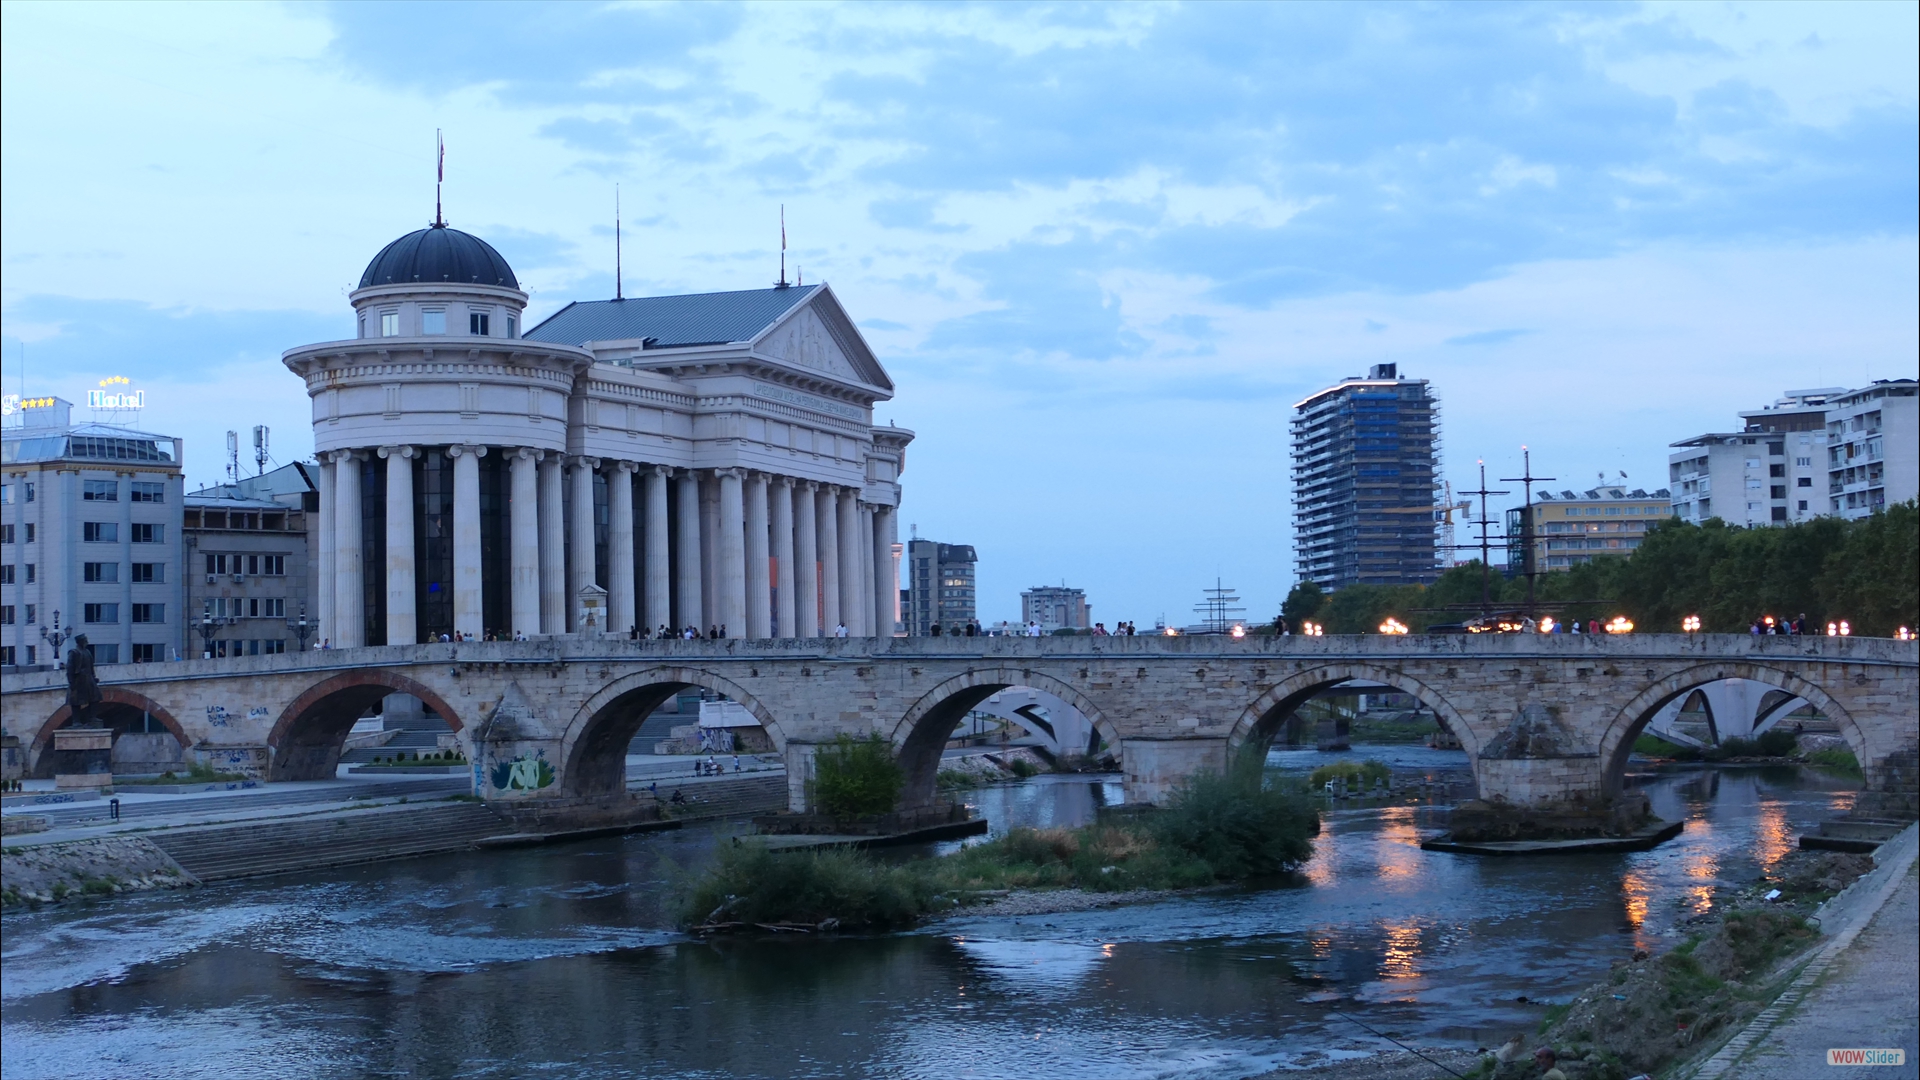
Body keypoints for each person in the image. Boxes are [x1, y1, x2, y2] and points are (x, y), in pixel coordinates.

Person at [65, 634, 100, 727]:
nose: (87, 641)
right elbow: (69, 668)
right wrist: (71, 681)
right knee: (76, 701)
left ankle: (92, 717)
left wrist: (94, 677)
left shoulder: (87, 652)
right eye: (85, 640)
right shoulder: (74, 652)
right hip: (78, 679)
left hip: (89, 679)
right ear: (80, 641)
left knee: (95, 697)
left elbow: (91, 666)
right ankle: (76, 721)